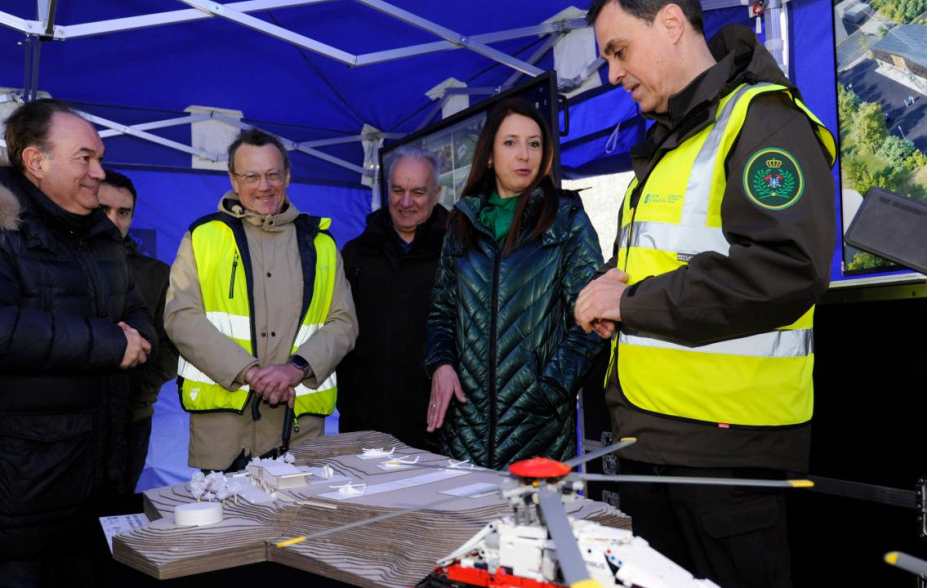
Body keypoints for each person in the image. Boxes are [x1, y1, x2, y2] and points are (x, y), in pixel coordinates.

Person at [576, 1, 837, 586]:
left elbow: (786, 266)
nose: (612, 74)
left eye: (619, 51)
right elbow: (668, 258)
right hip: (653, 445)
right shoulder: (673, 138)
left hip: (724, 458)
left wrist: (629, 303)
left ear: (671, 23)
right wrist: (613, 282)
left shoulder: (762, 120)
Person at [0, 99, 154, 585]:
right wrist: (109, 343)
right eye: (85, 158)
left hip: (94, 482)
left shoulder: (99, 234)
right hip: (16, 490)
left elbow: (138, 318)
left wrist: (134, 339)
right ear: (36, 161)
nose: (98, 172)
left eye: (100, 158)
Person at [423, 98, 606, 470]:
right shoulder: (462, 223)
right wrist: (441, 364)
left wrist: (548, 390)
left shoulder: (566, 221)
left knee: (534, 512)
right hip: (464, 429)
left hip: (538, 432)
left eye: (534, 144)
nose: (524, 154)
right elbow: (442, 312)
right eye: (510, 143)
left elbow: (593, 322)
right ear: (489, 156)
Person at [165, 129, 357, 473]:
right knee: (229, 511)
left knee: (302, 511)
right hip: (225, 437)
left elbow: (344, 322)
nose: (263, 186)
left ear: (288, 175)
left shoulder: (322, 244)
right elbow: (181, 318)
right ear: (233, 180)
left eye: (273, 174)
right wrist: (250, 373)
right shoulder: (202, 237)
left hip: (298, 434)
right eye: (251, 176)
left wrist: (296, 369)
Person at [337, 148, 447, 450]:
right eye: (398, 190)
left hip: (433, 430)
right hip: (362, 425)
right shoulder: (356, 253)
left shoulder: (458, 255)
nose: (406, 202)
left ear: (437, 193)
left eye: (418, 192)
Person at [99, 170, 179, 492]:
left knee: (117, 507)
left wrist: (138, 395)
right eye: (103, 209)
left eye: (123, 212)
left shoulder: (156, 275)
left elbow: (172, 346)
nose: (113, 220)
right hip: (69, 421)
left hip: (133, 419)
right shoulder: (59, 267)